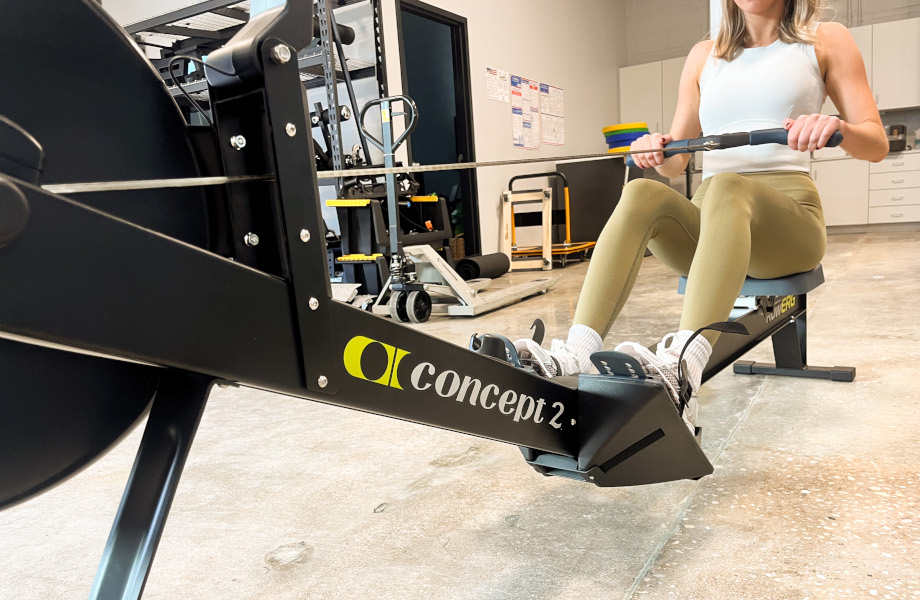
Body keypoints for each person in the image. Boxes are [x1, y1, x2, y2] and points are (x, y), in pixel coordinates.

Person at [513, 0, 888, 427]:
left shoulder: (823, 39)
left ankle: (681, 372)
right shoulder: (703, 56)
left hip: (788, 222)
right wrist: (655, 149)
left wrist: (837, 128)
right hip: (713, 218)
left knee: (728, 187)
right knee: (641, 194)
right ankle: (573, 356)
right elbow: (676, 161)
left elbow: (876, 142)